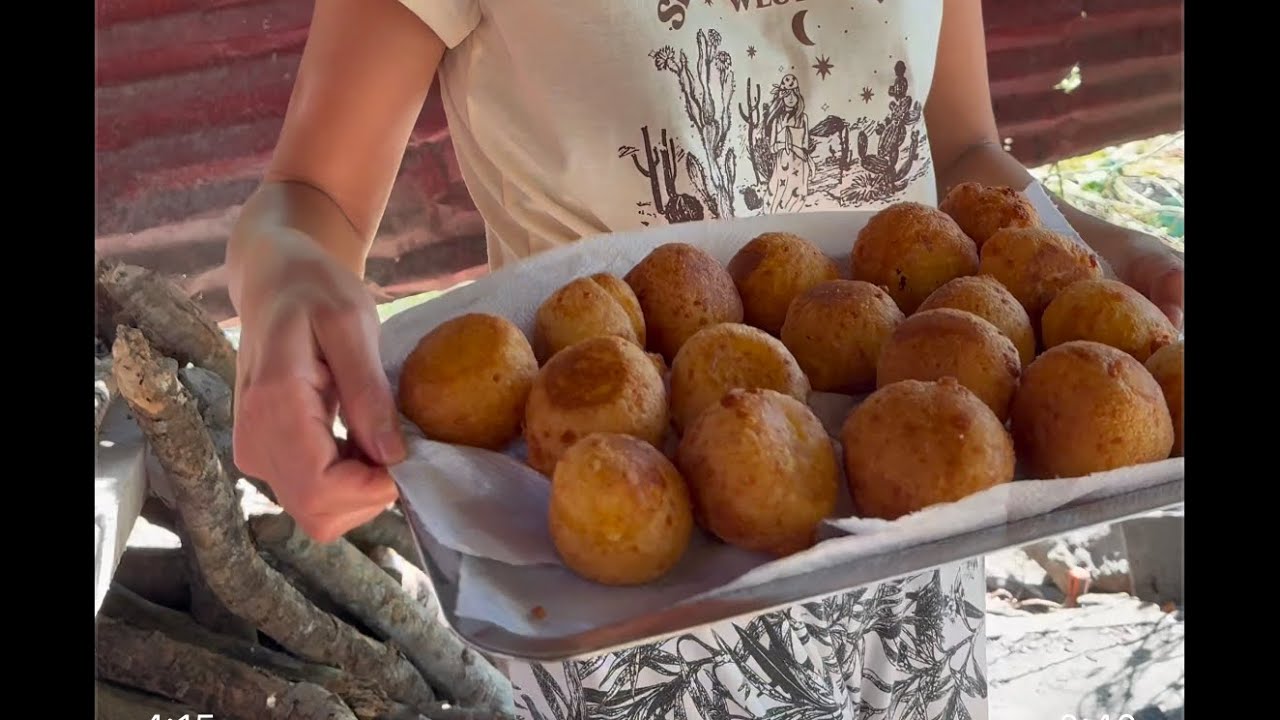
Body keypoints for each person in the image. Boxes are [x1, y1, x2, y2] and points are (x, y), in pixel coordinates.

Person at [227, 1, 1185, 717]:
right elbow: (310, 196)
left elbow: (961, 146)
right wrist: (286, 281)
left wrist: (1102, 250)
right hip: (626, 591)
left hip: (910, 537)